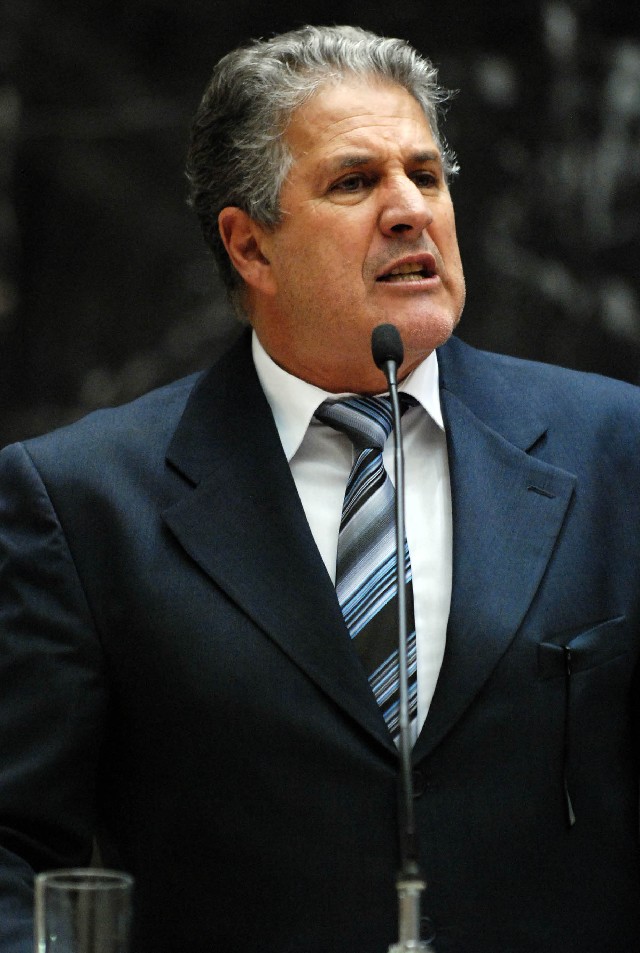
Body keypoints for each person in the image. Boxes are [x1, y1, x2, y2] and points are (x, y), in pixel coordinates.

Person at [0, 24, 639, 953]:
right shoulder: (83, 500)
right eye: (354, 181)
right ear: (250, 247)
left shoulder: (617, 449)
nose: (409, 209)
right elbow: (13, 843)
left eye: (426, 174)